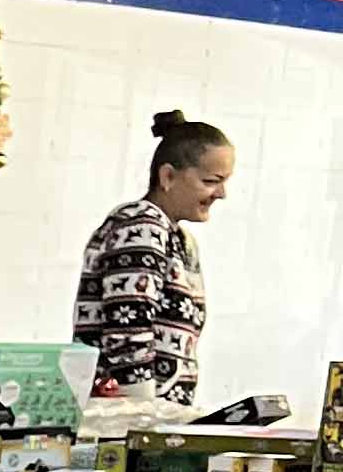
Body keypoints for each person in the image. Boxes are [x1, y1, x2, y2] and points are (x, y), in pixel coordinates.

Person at [73, 109, 231, 406]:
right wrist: (144, 413)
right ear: (168, 176)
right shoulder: (142, 225)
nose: (221, 193)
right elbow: (128, 330)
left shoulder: (178, 237)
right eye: (211, 180)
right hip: (127, 421)